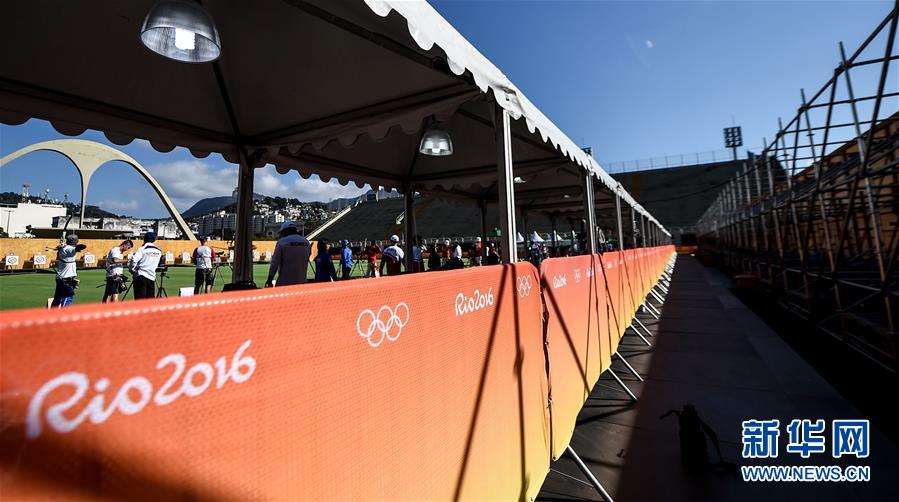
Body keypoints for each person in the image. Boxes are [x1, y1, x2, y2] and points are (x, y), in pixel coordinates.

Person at [265, 221, 311, 287]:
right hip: (302, 283)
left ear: (284, 231)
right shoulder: (306, 242)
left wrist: (269, 280)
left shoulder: (282, 242)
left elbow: (275, 263)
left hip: (285, 283)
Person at [51, 234, 87, 307]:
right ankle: (65, 313)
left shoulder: (64, 248)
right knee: (68, 296)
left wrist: (63, 246)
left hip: (60, 277)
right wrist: (75, 247)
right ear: (75, 241)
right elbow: (83, 246)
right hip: (66, 278)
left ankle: (52, 313)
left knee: (57, 298)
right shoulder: (69, 249)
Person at [130, 231, 163, 299]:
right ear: (154, 240)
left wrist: (131, 269)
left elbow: (134, 259)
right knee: (149, 301)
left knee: (140, 300)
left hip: (141, 275)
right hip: (152, 277)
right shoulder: (158, 251)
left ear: (144, 239)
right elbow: (159, 263)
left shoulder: (142, 249)